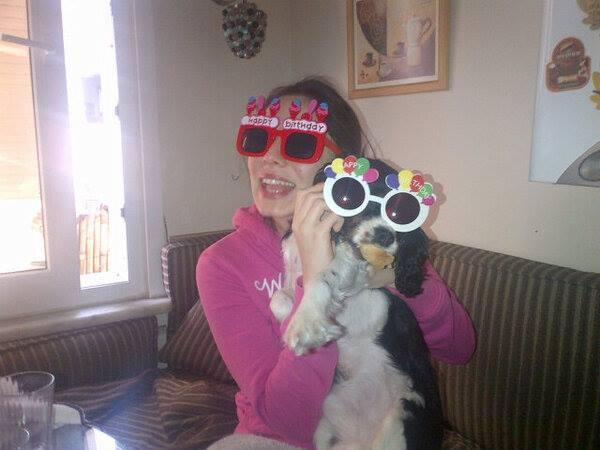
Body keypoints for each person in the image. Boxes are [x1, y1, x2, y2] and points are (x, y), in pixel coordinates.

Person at [198, 77, 476, 450]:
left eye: (299, 142)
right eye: (258, 138)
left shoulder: (374, 234)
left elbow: (459, 348)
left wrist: (397, 279)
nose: (270, 157)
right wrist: (315, 282)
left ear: (344, 165)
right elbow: (287, 420)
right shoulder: (222, 263)